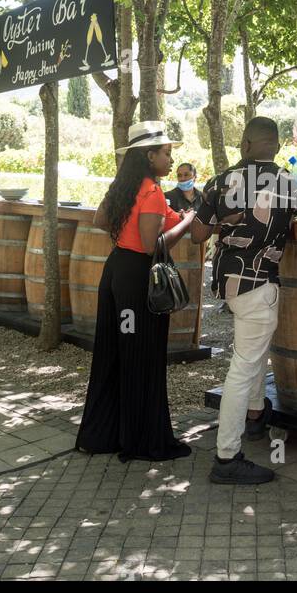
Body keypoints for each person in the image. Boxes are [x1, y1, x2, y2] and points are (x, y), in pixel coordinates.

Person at [189, 117, 297, 484]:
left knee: (252, 352)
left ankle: (257, 415)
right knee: (243, 367)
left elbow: (197, 234)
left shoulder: (221, 181)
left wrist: (225, 222)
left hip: (229, 282)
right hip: (260, 283)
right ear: (275, 146)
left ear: (245, 144)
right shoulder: (291, 182)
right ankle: (227, 457)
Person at [77, 120, 198, 462]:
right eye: (166, 153)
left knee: (114, 352)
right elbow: (151, 246)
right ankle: (142, 440)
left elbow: (101, 220)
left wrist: (172, 217)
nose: (172, 160)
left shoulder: (126, 186)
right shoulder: (152, 191)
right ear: (149, 156)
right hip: (138, 282)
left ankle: (108, 433)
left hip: (116, 272)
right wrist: (188, 224)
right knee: (141, 355)